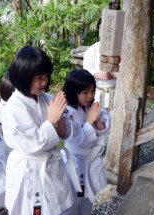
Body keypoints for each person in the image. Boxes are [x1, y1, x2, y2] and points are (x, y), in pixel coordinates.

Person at [1, 46, 74, 215]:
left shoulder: (46, 98)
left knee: (55, 208)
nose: (44, 82)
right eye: (38, 78)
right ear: (23, 77)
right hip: (28, 167)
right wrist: (52, 120)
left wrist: (60, 116)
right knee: (28, 209)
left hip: (50, 164)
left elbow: (65, 132)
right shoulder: (14, 107)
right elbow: (32, 143)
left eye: (46, 76)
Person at [62, 69, 110, 215]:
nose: (90, 96)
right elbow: (78, 138)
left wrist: (96, 121)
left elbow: (103, 127)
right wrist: (90, 121)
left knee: (88, 199)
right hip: (74, 160)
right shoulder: (67, 111)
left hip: (90, 159)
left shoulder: (90, 106)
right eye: (85, 93)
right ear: (73, 91)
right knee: (71, 198)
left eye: (92, 91)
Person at [83, 18, 117, 109]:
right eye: (103, 29)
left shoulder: (120, 50)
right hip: (97, 91)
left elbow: (127, 71)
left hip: (116, 91)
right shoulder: (91, 50)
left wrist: (113, 75)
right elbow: (86, 69)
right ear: (99, 31)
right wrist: (96, 74)